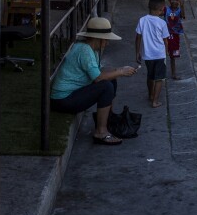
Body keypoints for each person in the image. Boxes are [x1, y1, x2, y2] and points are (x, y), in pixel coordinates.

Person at [50, 17, 137, 146]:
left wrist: (118, 70)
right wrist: (121, 72)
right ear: (98, 38)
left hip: (70, 95)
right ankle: (101, 132)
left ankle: (108, 120)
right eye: (106, 39)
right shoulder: (85, 51)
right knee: (106, 86)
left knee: (111, 80)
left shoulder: (90, 49)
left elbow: (99, 71)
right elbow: (98, 78)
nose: (107, 43)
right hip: (63, 100)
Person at [136, 0, 171, 108]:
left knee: (150, 76)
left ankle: (151, 95)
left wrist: (138, 52)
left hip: (147, 55)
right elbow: (165, 40)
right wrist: (167, 51)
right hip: (160, 55)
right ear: (162, 9)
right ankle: (155, 101)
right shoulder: (162, 23)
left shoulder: (142, 20)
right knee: (159, 78)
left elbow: (138, 38)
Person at [164, 0, 186, 80]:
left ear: (180, 1)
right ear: (169, 0)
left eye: (177, 0)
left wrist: (183, 6)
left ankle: (173, 74)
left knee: (173, 56)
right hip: (165, 35)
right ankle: (161, 72)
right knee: (163, 54)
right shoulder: (166, 9)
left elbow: (183, 16)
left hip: (175, 36)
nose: (174, 1)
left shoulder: (179, 10)